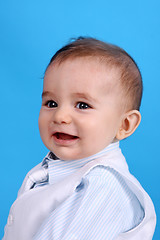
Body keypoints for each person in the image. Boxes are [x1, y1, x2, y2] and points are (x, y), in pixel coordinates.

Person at [3, 37, 156, 240]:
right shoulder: (60, 171)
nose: (60, 116)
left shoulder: (101, 186)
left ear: (124, 125)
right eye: (51, 103)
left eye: (82, 105)